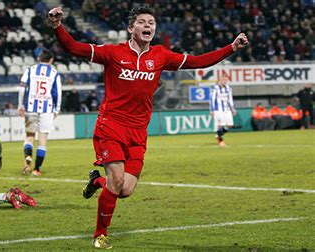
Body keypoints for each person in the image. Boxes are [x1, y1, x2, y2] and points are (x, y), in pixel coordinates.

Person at [48, 5, 248, 249]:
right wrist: (58, 26)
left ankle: (96, 181)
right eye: (142, 22)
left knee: (125, 190)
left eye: (151, 23)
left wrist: (231, 48)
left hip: (138, 132)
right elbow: (74, 48)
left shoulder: (161, 56)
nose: (148, 26)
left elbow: (196, 62)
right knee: (118, 179)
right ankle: (100, 235)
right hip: (110, 125)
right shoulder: (113, 53)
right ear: (131, 28)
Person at [17, 49, 62, 176]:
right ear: (51, 60)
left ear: (38, 58)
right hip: (47, 109)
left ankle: (28, 158)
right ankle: (36, 169)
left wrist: (20, 105)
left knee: (29, 136)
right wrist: (57, 108)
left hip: (31, 107)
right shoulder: (54, 72)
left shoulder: (31, 69)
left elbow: (21, 87)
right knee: (43, 140)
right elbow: (58, 92)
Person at [210, 75, 236, 147]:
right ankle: (220, 141)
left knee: (229, 125)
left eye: (226, 80)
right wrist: (212, 110)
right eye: (223, 80)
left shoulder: (228, 88)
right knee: (220, 125)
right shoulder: (215, 88)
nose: (225, 81)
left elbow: (230, 99)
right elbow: (212, 99)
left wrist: (233, 109)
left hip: (227, 109)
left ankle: (218, 135)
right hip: (218, 110)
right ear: (220, 80)